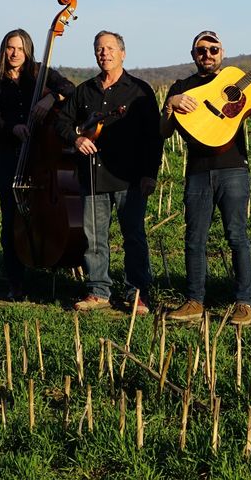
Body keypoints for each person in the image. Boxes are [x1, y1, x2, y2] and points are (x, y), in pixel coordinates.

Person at [162, 30, 251, 328]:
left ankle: (244, 303)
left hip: (233, 168)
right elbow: (162, 131)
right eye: (201, 50)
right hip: (198, 171)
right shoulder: (182, 87)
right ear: (193, 55)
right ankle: (194, 301)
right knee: (194, 238)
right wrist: (171, 102)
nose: (208, 55)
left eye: (214, 49)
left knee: (237, 236)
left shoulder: (234, 80)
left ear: (222, 53)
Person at [54, 31, 162, 314]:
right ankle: (98, 291)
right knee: (93, 239)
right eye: (99, 49)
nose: (105, 53)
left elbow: (154, 137)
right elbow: (62, 123)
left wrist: (150, 173)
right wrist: (76, 139)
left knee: (134, 236)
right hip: (92, 176)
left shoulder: (140, 90)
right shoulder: (84, 91)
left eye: (110, 48)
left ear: (122, 53)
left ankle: (138, 293)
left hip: (129, 177)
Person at [0, 29, 75, 301]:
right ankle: (15, 282)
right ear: (3, 50)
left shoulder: (40, 74)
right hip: (10, 156)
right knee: (12, 217)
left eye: (20, 49)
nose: (14, 54)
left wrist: (50, 97)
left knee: (45, 212)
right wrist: (14, 128)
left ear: (29, 50)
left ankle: (51, 266)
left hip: (42, 154)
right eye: (10, 48)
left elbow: (70, 89)